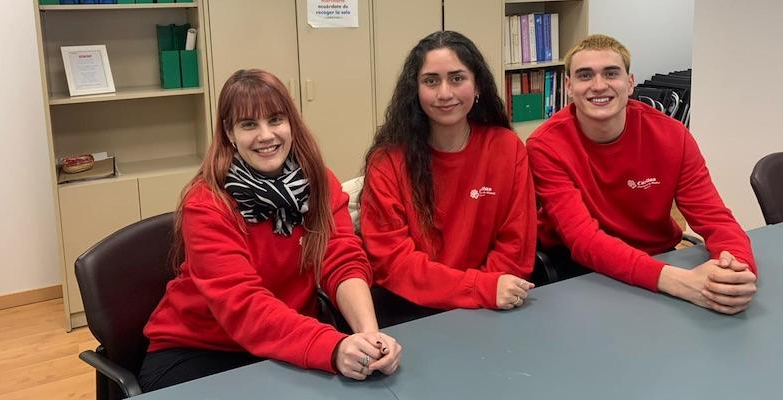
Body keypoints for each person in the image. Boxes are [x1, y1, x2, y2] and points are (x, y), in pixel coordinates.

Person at [138, 69, 401, 391]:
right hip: (201, 349)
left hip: (286, 338)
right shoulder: (207, 204)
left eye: (275, 120)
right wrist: (332, 348)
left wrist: (369, 335)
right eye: (249, 124)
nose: (266, 135)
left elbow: (342, 259)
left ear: (291, 123)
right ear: (229, 133)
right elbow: (243, 305)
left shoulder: (318, 183)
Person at [526, 34, 757, 315]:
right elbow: (583, 239)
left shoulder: (673, 136)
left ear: (630, 82)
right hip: (581, 271)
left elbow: (715, 218)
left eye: (611, 73)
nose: (599, 85)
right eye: (585, 75)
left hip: (657, 258)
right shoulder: (546, 145)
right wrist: (680, 282)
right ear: (569, 86)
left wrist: (736, 270)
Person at [360, 30, 537, 323]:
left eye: (457, 78)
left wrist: (482, 293)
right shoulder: (387, 161)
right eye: (431, 81)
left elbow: (515, 247)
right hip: (411, 313)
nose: (444, 93)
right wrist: (478, 289)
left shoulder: (507, 148)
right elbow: (393, 263)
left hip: (491, 310)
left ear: (477, 85)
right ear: (415, 91)